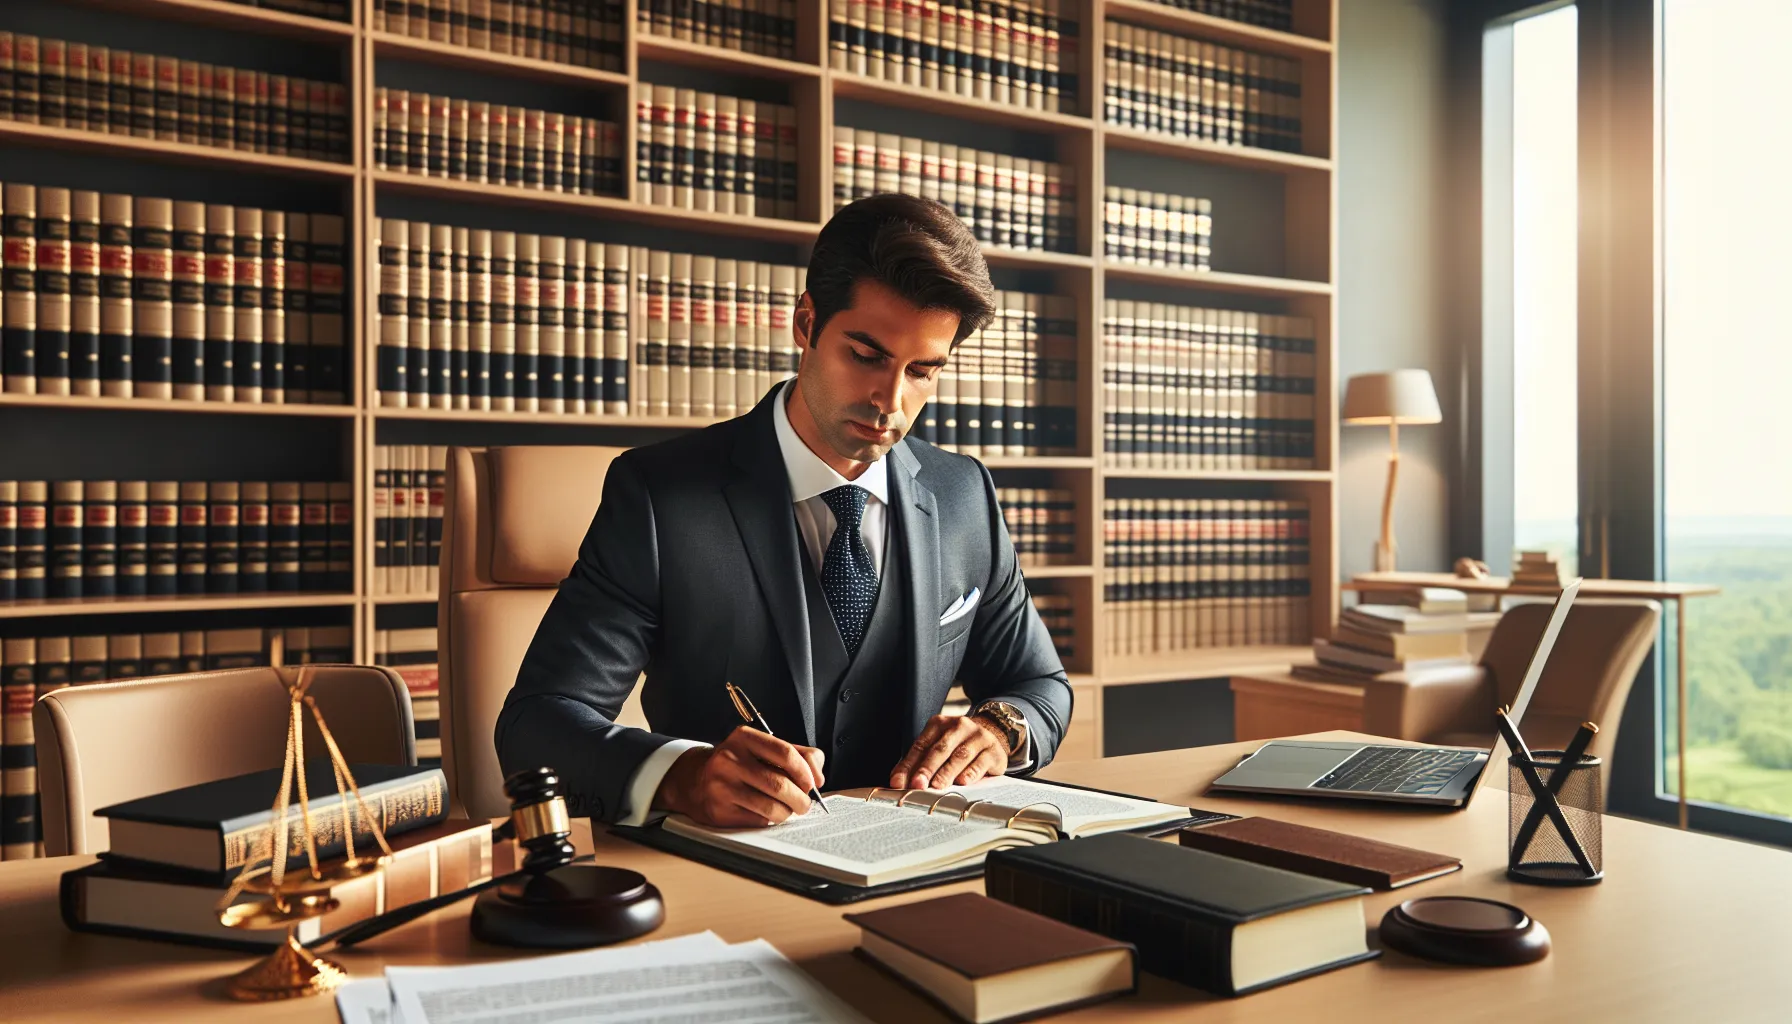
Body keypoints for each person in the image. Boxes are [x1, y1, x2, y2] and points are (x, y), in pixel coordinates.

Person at [496, 194, 1074, 829]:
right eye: (867, 356)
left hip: (923, 857)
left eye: (923, 372)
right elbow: (536, 724)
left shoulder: (964, 494)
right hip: (730, 867)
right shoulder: (659, 496)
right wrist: (683, 778)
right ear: (806, 322)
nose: (890, 400)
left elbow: (1041, 686)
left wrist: (1000, 729)